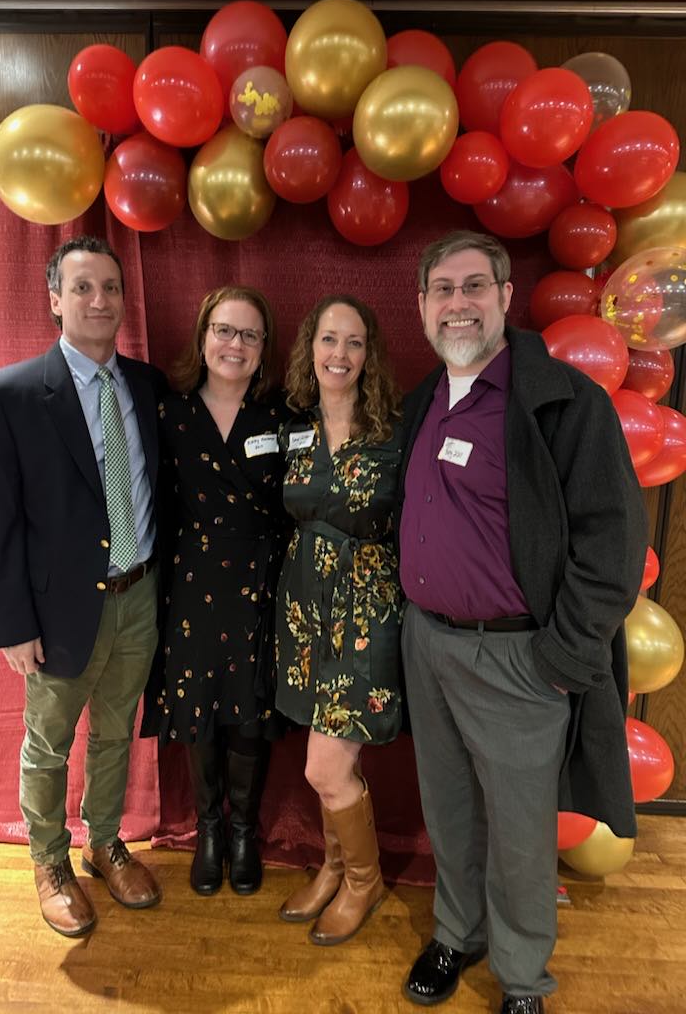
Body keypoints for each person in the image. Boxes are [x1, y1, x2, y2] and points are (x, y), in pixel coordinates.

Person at [397, 230, 647, 1013]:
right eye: (443, 289)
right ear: (423, 307)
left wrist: (563, 658)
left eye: (475, 286)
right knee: (450, 808)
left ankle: (523, 979)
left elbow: (613, 543)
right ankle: (457, 933)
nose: (458, 303)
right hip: (427, 644)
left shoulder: (566, 404)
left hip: (518, 659)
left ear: (507, 297)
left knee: (518, 832)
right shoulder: (423, 401)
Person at [0, 235, 167, 937]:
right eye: (82, 288)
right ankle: (48, 860)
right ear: (55, 299)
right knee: (48, 743)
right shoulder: (9, 394)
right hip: (56, 611)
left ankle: (103, 841)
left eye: (111, 287)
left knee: (117, 732)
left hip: (138, 596)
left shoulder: (146, 385)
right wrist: (11, 624)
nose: (100, 300)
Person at [142, 287, 288, 897]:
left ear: (263, 350)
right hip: (192, 578)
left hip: (262, 582)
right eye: (225, 331)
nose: (235, 345)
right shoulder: (169, 414)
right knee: (198, 708)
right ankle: (208, 829)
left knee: (251, 710)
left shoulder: (283, 417)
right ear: (203, 337)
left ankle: (245, 830)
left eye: (250, 335)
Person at [274, 294, 403, 946]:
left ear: (369, 353)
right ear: (311, 347)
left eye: (353, 342)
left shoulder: (393, 432)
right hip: (305, 607)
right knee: (319, 755)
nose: (340, 354)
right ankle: (332, 867)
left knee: (327, 766)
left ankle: (364, 880)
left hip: (366, 610)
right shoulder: (292, 425)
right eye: (329, 340)